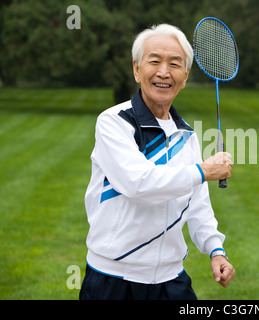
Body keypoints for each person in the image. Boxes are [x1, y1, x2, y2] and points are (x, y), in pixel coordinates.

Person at [79, 24, 235, 300]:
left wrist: (216, 251)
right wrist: (203, 170)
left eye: (175, 64)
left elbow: (198, 207)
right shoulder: (114, 122)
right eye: (154, 61)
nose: (164, 72)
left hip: (171, 280)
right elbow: (139, 183)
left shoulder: (187, 136)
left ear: (185, 76)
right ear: (137, 70)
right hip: (113, 280)